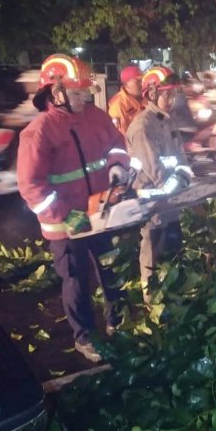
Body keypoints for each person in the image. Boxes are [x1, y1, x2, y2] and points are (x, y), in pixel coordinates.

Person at [17, 54, 133, 363]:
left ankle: (118, 321)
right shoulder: (39, 132)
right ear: (56, 93)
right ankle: (85, 338)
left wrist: (118, 168)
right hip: (66, 224)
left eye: (85, 91)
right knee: (77, 280)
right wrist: (69, 215)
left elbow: (117, 145)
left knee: (112, 268)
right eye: (78, 92)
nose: (86, 97)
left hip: (100, 212)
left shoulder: (95, 117)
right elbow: (31, 187)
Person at [125, 66, 191, 308]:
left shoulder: (167, 121)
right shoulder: (143, 126)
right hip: (153, 201)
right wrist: (179, 187)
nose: (172, 100)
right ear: (151, 94)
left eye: (174, 95)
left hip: (171, 201)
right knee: (153, 248)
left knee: (174, 247)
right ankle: (151, 299)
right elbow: (156, 171)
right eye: (167, 94)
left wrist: (185, 181)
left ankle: (174, 291)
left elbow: (181, 159)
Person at [108, 64, 144, 137]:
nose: (142, 84)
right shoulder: (118, 105)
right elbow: (121, 137)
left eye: (142, 80)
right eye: (138, 81)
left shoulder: (146, 98)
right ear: (126, 84)